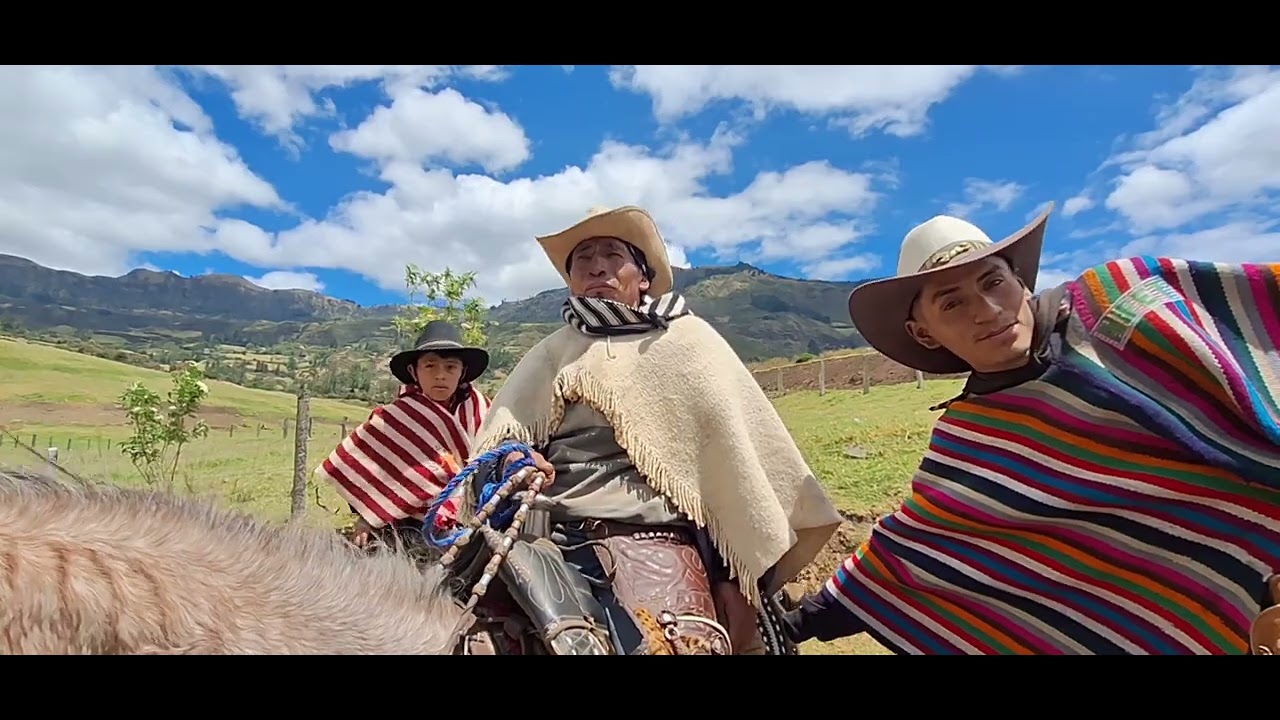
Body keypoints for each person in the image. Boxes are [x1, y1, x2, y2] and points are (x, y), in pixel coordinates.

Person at [781, 202, 1280, 654]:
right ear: (922, 332)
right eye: (952, 302)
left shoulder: (1121, 302)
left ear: (1021, 281)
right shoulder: (971, 439)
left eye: (993, 281)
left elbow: (1259, 310)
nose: (987, 309)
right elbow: (916, 550)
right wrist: (795, 623)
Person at [453, 205, 843, 655]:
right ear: (571, 280)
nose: (597, 265)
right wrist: (515, 460)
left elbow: (731, 469)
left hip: (658, 541)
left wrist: (732, 577)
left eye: (613, 254)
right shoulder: (547, 355)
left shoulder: (691, 343)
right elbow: (495, 446)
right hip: (547, 539)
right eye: (583, 258)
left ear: (644, 276)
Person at [316, 320, 492, 551]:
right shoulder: (393, 418)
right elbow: (360, 463)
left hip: (476, 516)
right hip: (407, 525)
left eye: (450, 367)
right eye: (430, 366)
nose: (440, 375)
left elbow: (499, 453)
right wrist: (367, 515)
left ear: (463, 372)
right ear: (413, 371)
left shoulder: (482, 409)